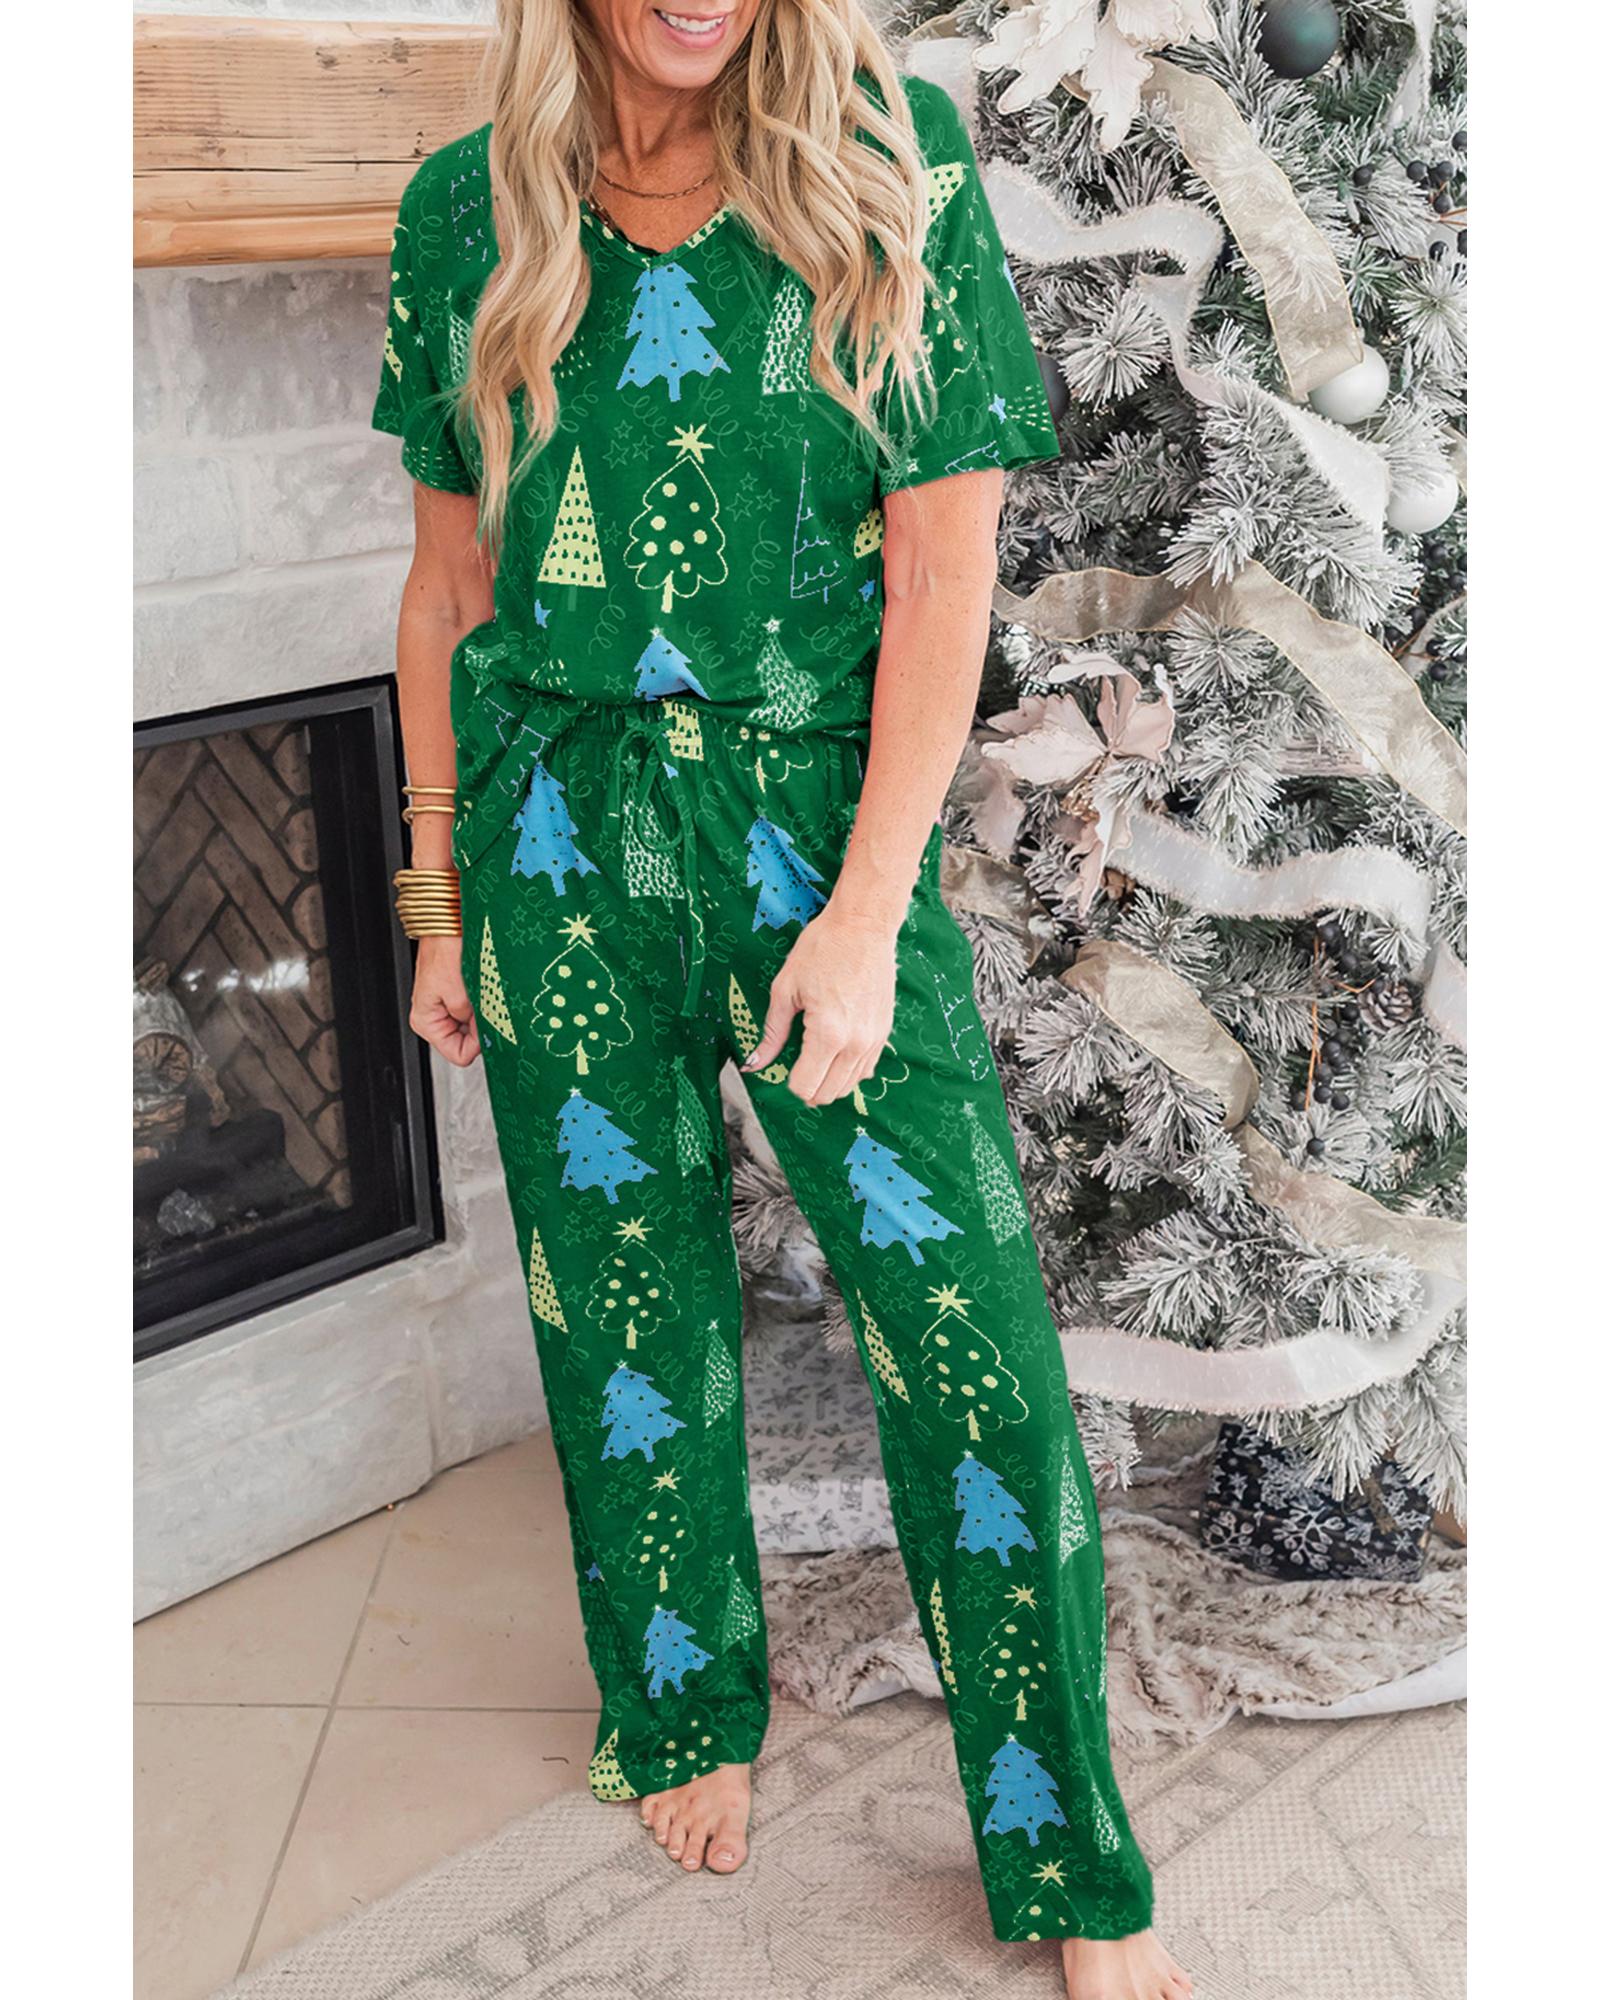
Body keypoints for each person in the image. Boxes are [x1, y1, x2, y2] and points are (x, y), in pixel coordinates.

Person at [373, 3, 1190, 1994]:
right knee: (622, 1314)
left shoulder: (888, 159)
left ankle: (1066, 1857)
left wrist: (868, 906)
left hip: (817, 839)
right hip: (553, 837)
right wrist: (437, 895)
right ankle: (683, 1705)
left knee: (971, 1346)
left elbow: (941, 575)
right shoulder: (466, 210)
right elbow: (449, 589)